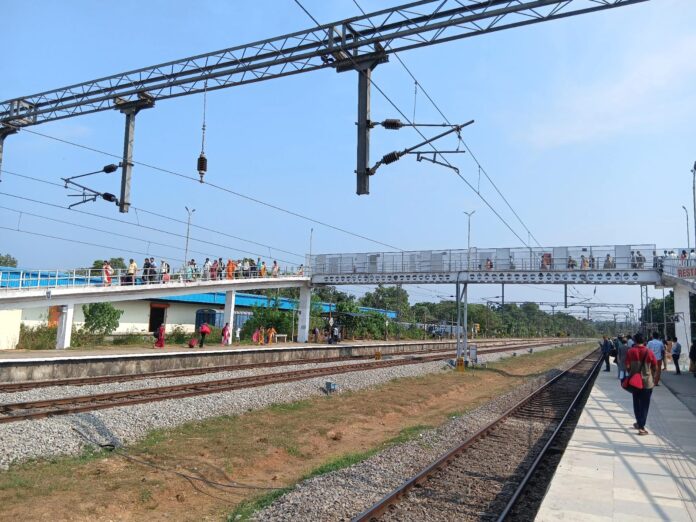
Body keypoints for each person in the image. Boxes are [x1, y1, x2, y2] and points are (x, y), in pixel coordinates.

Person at [625, 332, 658, 436]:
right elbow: (655, 367)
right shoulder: (649, 352)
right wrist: (652, 376)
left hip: (635, 383)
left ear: (634, 341)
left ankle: (639, 423)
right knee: (644, 405)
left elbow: (627, 367)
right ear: (644, 341)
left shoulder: (630, 351)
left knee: (636, 403)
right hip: (647, 383)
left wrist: (632, 373)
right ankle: (642, 427)